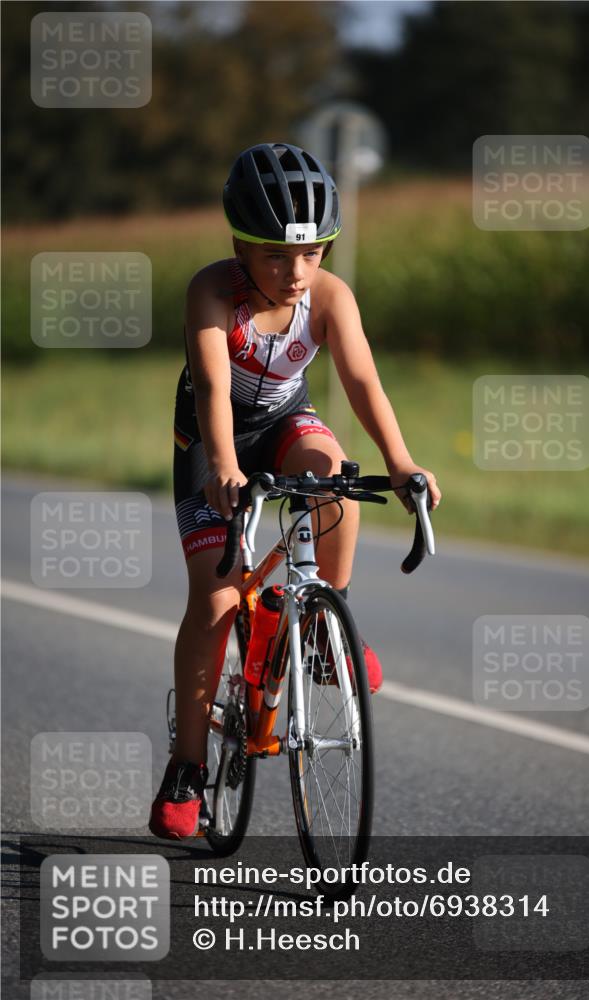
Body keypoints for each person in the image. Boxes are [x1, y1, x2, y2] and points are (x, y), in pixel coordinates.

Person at [149, 142, 440, 839]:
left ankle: (317, 622)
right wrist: (223, 465)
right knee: (218, 599)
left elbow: (362, 382)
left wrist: (400, 462)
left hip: (284, 424)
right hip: (211, 441)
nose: (296, 272)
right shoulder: (212, 292)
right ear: (239, 248)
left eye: (313, 254)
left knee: (331, 469)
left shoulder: (329, 297)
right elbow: (215, 388)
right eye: (276, 255)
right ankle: (188, 765)